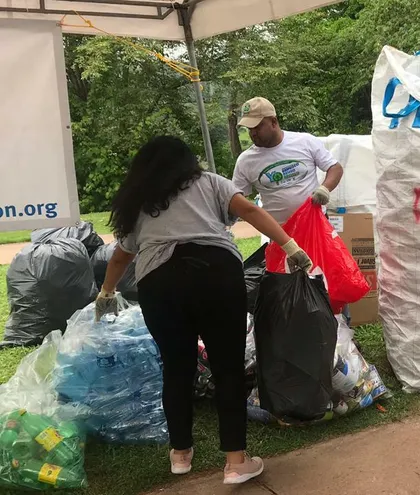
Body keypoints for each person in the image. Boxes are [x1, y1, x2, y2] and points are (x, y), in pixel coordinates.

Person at [94, 136, 313, 485]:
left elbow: (121, 256)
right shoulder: (210, 182)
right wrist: (290, 245)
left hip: (159, 284)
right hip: (216, 275)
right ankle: (236, 462)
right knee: (227, 369)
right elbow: (251, 211)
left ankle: (180, 454)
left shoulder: (141, 200)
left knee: (176, 368)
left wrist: (106, 292)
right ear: (187, 161)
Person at [233, 96, 344, 224]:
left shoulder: (305, 142)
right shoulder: (246, 161)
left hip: (315, 223)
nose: (253, 133)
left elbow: (335, 168)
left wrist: (324, 189)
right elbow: (237, 198)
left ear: (273, 122)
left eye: (257, 127)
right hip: (279, 230)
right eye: (249, 129)